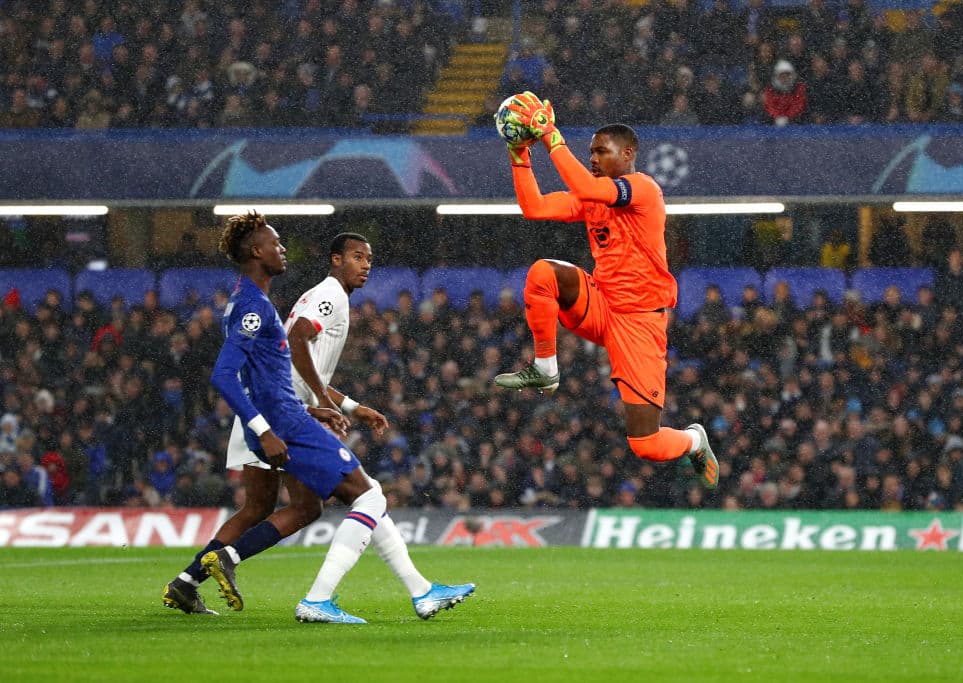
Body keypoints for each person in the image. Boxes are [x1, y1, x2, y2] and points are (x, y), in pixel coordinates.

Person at [163, 222, 474, 622]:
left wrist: (346, 406)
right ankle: (313, 596)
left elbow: (286, 363)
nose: (366, 266)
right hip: (279, 417)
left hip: (278, 411)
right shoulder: (327, 296)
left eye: (369, 259)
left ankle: (189, 580)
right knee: (364, 496)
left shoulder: (263, 299)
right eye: (358, 257)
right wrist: (311, 406)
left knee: (277, 507)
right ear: (336, 260)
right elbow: (296, 341)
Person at [493, 92, 718, 490]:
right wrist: (519, 153)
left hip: (639, 323)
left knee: (645, 443)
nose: (593, 158)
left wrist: (551, 137)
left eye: (601, 151)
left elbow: (582, 184)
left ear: (628, 154)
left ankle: (693, 441)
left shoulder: (643, 189)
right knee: (542, 274)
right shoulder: (592, 197)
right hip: (601, 304)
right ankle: (545, 368)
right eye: (591, 152)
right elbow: (535, 207)